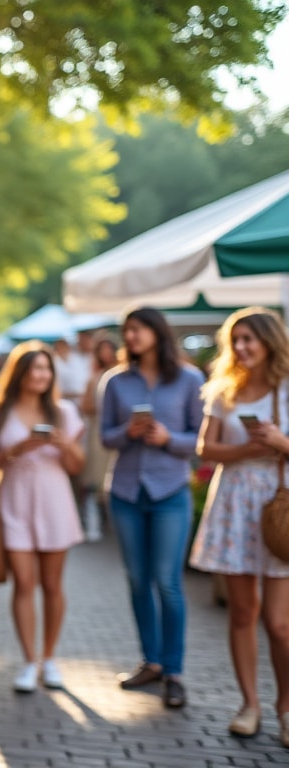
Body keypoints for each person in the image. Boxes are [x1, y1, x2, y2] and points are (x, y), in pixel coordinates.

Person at [189, 307, 289, 741]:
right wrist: (247, 451)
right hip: (233, 502)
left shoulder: (287, 389)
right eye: (236, 340)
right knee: (242, 612)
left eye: (250, 339)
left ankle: (286, 705)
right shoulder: (223, 390)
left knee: (280, 622)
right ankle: (249, 703)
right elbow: (205, 448)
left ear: (270, 341)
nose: (243, 348)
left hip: (278, 506)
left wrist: (279, 442)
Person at [99, 306, 204, 709]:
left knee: (168, 582)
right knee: (138, 580)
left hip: (170, 492)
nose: (131, 337)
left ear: (158, 333)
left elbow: (199, 439)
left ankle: (175, 672)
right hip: (126, 492)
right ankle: (152, 662)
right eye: (127, 330)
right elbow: (105, 438)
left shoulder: (191, 379)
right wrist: (128, 432)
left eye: (138, 329)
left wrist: (168, 439)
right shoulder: (115, 382)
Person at [0, 341, 85, 693]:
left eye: (46, 369)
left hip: (54, 499)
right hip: (14, 499)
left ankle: (50, 659)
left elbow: (77, 467)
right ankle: (28, 661)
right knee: (23, 583)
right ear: (20, 373)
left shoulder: (64, 412)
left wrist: (65, 445)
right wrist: (16, 450)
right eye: (34, 368)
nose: (41, 375)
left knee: (52, 585)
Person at [79, 333, 120, 541]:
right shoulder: (94, 379)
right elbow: (85, 406)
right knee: (94, 481)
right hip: (97, 434)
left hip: (116, 433)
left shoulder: (122, 377)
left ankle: (113, 523)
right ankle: (94, 524)